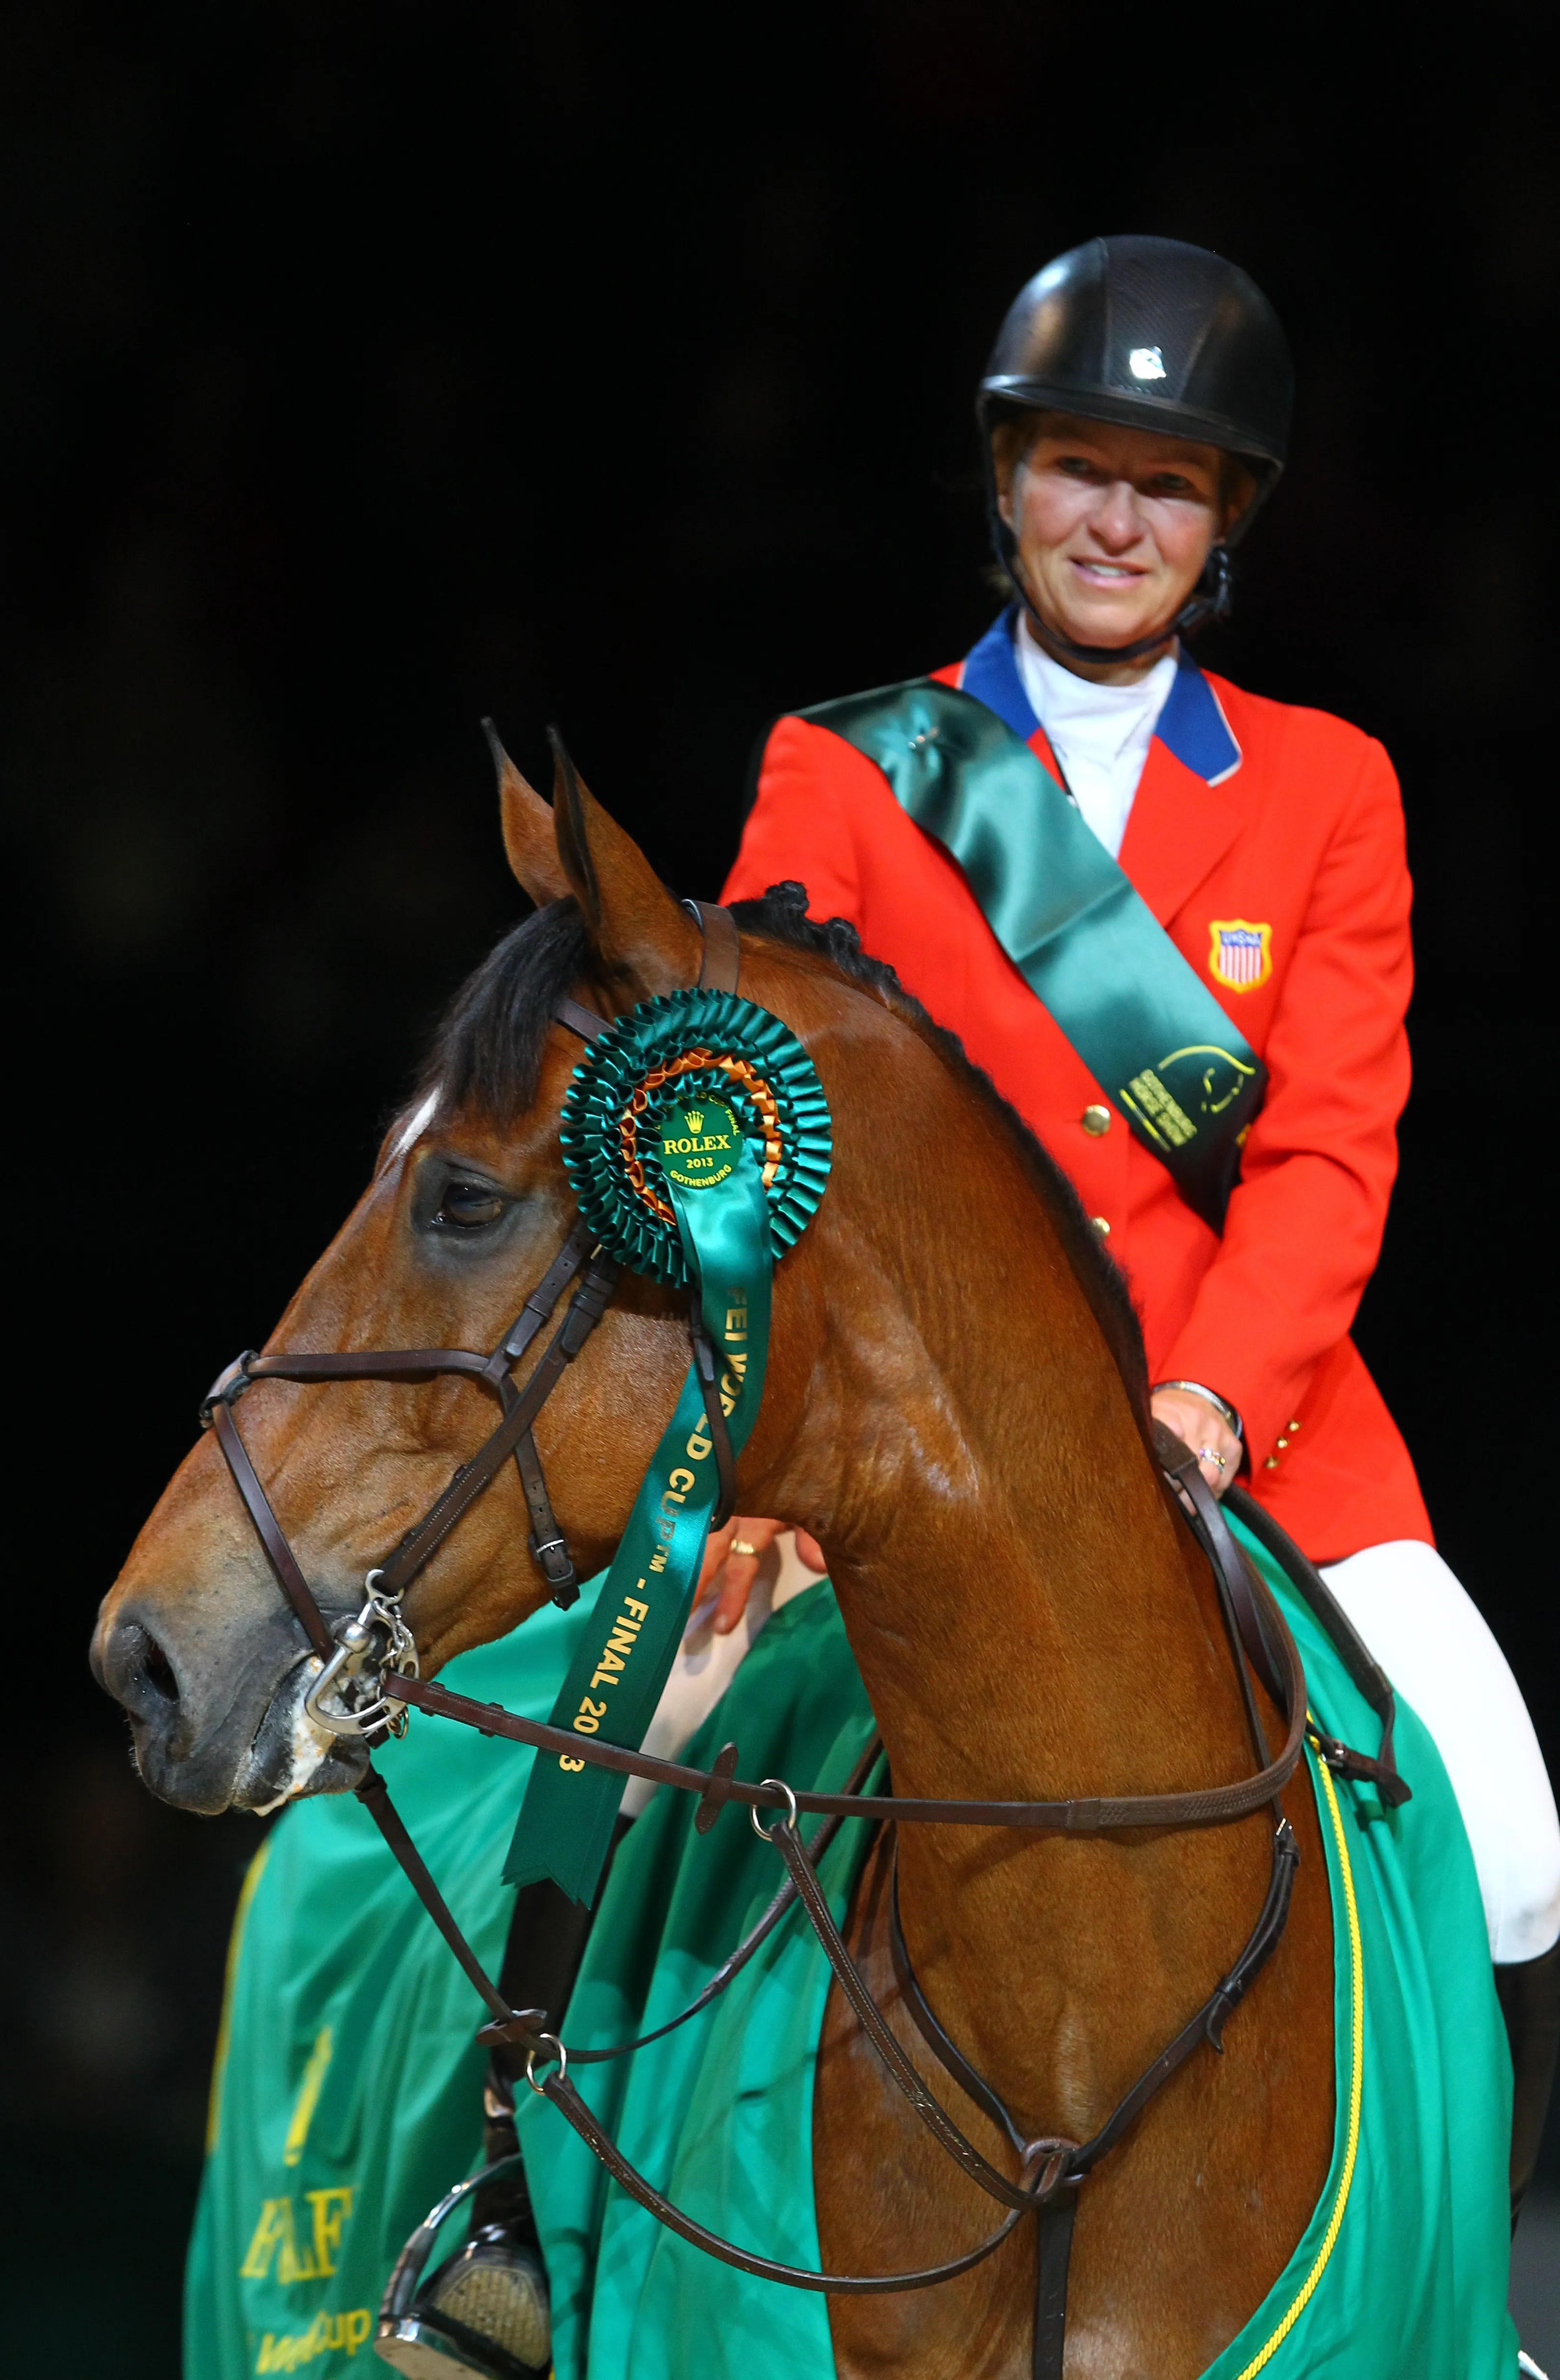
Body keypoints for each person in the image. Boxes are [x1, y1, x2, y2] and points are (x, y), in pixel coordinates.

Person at [706, 233, 1560, 2221]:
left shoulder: (1330, 790)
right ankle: (513, 2228)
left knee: (1514, 1841)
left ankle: (1465, 2294)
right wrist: (755, 1450)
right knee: (611, 1767)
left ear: (1227, 516)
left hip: (1256, 1439)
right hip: (897, 1449)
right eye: (1080, 467)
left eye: (1166, 483)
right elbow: (747, 1133)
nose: (1118, 520)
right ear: (1004, 483)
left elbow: (1330, 1158)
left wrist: (1200, 1409)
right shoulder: (843, 776)